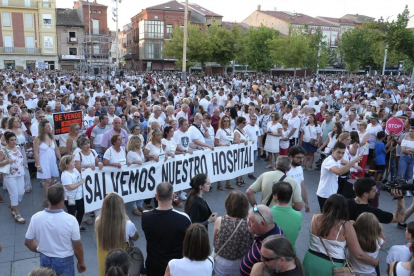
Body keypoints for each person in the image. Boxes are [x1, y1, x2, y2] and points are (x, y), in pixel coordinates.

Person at [302, 194, 379, 276]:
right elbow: (359, 254)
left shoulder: (315, 218)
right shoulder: (346, 226)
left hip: (310, 260)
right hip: (331, 267)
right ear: (344, 209)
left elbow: (327, 225)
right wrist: (374, 261)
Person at [25, 184, 86, 276]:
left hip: (45, 259)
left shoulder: (36, 217)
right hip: (64, 261)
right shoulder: (71, 220)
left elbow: (28, 242)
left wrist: (41, 249)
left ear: (48, 198)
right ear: (63, 198)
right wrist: (81, 262)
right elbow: (77, 246)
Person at [142, 182, 191, 276]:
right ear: (173, 196)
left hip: (153, 266)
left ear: (156, 197)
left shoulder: (145, 216)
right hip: (176, 268)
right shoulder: (184, 219)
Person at [95, 192, 139, 276]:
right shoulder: (128, 224)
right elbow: (136, 236)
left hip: (105, 265)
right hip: (121, 265)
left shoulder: (98, 221)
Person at [212, 190, 253, 276]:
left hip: (221, 261)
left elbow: (214, 242)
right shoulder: (249, 223)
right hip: (240, 263)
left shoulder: (220, 220)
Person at [316, 142, 362, 211]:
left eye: (343, 153)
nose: (341, 155)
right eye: (339, 152)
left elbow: (344, 162)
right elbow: (339, 172)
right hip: (325, 194)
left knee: (332, 216)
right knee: (326, 218)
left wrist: (355, 166)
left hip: (332, 193)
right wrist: (354, 160)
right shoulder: (329, 161)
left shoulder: (338, 159)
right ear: (333, 151)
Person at [240, 204, 285, 276]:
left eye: (251, 221)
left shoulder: (269, 247)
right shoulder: (273, 229)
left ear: (262, 223)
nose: (247, 223)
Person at [34, 119, 61, 206]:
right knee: (48, 181)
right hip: (43, 162)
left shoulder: (52, 137)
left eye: (50, 126)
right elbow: (36, 152)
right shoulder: (37, 139)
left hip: (52, 161)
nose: (50, 128)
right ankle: (48, 200)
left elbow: (56, 148)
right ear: (42, 128)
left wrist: (61, 160)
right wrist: (38, 165)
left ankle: (45, 199)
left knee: (50, 181)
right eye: (48, 126)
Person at [0, 131, 26, 223]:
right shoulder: (3, 150)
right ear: (7, 141)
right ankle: (17, 213)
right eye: (12, 140)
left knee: (21, 193)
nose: (14, 141)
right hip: (9, 175)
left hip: (20, 174)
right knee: (14, 194)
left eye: (15, 139)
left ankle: (12, 205)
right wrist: (6, 161)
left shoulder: (18, 147)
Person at [270, 181, 302, 252]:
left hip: (272, 252)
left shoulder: (268, 213)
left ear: (276, 196)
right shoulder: (298, 215)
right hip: (290, 252)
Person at [59, 155, 86, 231]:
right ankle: (70, 228)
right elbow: (69, 187)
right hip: (70, 197)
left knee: (81, 210)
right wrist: (80, 183)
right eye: (73, 162)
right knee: (72, 213)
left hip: (79, 196)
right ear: (67, 165)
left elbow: (80, 174)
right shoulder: (65, 175)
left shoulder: (75, 170)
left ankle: (77, 225)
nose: (75, 163)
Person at [126, 135, 145, 216]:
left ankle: (140, 205)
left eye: (139, 141)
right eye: (137, 142)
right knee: (135, 189)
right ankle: (134, 207)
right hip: (134, 174)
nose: (139, 143)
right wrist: (136, 162)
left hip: (142, 173)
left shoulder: (140, 150)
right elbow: (128, 165)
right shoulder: (130, 153)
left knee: (142, 188)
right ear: (133, 143)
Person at [215, 115, 235, 190]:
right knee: (221, 168)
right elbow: (216, 142)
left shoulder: (230, 129)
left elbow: (232, 140)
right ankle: (219, 185)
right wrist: (223, 145)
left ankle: (228, 183)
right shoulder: (219, 131)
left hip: (229, 151)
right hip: (222, 151)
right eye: (225, 121)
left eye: (228, 121)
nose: (226, 122)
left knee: (229, 167)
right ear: (222, 122)